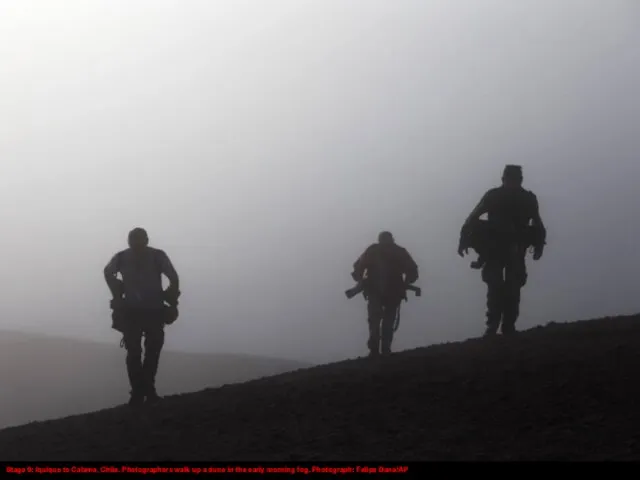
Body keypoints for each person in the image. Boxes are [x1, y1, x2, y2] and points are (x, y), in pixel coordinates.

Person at [458, 165, 546, 336]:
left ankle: (507, 326)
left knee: (511, 289)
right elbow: (472, 218)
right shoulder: (496, 196)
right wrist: (464, 239)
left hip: (514, 248)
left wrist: (539, 244)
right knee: (496, 287)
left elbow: (537, 223)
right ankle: (494, 325)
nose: (512, 183)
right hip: (495, 249)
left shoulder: (524, 198)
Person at [104, 227, 180, 407]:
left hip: (135, 312)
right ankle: (145, 390)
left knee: (136, 353)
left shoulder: (122, 257)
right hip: (150, 311)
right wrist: (171, 298)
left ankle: (140, 392)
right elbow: (173, 278)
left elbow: (108, 272)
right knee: (148, 352)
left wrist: (118, 290)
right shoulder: (156, 255)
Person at [351, 231, 419, 357]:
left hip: (379, 291)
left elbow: (357, 268)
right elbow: (413, 271)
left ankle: (376, 350)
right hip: (389, 292)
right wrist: (406, 283)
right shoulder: (398, 251)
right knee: (385, 320)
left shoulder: (373, 250)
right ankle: (383, 349)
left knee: (376, 320)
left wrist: (360, 280)